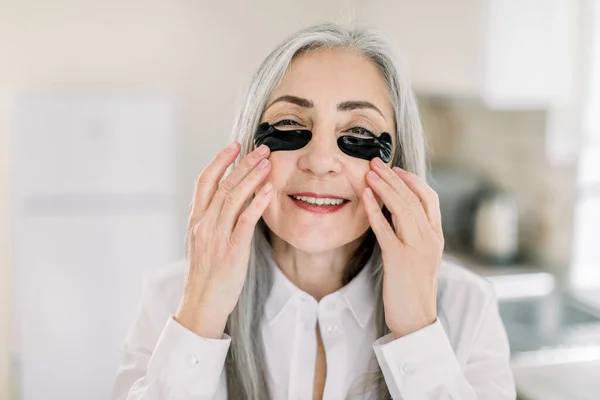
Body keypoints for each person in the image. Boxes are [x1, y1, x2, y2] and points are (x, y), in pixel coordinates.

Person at [111, 23, 516, 400]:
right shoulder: (171, 301)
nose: (320, 161)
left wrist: (416, 331)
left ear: (399, 164)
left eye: (357, 132)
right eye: (289, 124)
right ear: (249, 150)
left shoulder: (467, 308)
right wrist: (200, 316)